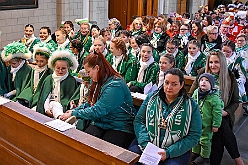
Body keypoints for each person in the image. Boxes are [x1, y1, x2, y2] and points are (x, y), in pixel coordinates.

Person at [60, 52, 137, 149]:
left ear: (97, 68)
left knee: (105, 150)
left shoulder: (115, 85)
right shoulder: (97, 81)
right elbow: (91, 103)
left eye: (88, 72)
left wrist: (74, 114)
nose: (88, 75)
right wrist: (74, 111)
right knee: (83, 145)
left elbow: (98, 110)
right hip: (101, 122)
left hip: (120, 125)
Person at [128, 68, 202, 165]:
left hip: (175, 149)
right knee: (129, 159)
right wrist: (145, 143)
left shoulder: (191, 106)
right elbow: (139, 120)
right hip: (147, 143)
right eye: (166, 83)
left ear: (181, 85)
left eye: (174, 84)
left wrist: (169, 152)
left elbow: (194, 135)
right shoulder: (152, 97)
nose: (169, 87)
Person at [188, 50, 245, 165]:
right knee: (221, 128)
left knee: (220, 127)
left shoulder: (230, 76)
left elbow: (235, 101)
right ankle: (237, 159)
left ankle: (211, 160)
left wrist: (227, 112)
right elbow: (191, 94)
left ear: (222, 63)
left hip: (221, 114)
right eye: (210, 62)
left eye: (216, 62)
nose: (213, 65)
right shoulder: (202, 74)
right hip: (201, 114)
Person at [36, 50, 78, 119]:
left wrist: (72, 103)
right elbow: (46, 97)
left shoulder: (71, 80)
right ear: (54, 67)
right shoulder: (49, 78)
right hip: (50, 105)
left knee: (57, 105)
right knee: (54, 104)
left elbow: (72, 97)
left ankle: (61, 117)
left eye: (63, 68)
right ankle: (61, 118)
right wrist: (46, 109)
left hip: (63, 107)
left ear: (68, 68)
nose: (60, 71)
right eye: (58, 68)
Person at [191, 73, 223, 164]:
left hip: (207, 124)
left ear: (211, 84)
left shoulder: (214, 98)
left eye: (207, 80)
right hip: (197, 121)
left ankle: (205, 156)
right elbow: (192, 103)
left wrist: (216, 125)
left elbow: (217, 113)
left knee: (205, 140)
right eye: (201, 80)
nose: (203, 82)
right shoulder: (197, 92)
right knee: (196, 137)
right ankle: (195, 152)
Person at [17, 43, 54, 108]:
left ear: (47, 60)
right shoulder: (35, 69)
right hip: (32, 91)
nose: (39, 63)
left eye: (42, 61)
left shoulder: (49, 71)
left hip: (41, 94)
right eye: (37, 61)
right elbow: (30, 83)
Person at [222, 40, 248, 110]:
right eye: (223, 51)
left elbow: (242, 75)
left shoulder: (238, 60)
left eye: (228, 52)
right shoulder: (219, 58)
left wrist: (236, 81)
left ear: (233, 51)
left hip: (235, 83)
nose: (225, 53)